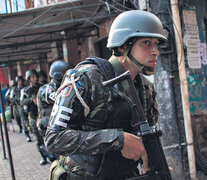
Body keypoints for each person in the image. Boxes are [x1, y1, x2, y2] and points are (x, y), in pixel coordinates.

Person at [45, 10, 167, 180]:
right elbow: (53, 139)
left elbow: (146, 136)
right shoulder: (87, 78)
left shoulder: (145, 88)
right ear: (123, 46)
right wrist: (117, 140)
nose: (155, 52)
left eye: (157, 44)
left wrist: (154, 166)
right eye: (146, 43)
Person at [36, 60, 70, 162]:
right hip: (47, 126)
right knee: (57, 158)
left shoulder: (62, 87)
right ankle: (46, 151)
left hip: (56, 125)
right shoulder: (46, 89)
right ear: (59, 75)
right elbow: (60, 99)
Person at [20, 69, 47, 165]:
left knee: (47, 136)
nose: (35, 78)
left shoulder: (42, 87)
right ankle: (43, 157)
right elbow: (22, 102)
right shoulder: (26, 90)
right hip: (33, 116)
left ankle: (51, 153)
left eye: (36, 76)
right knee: (38, 138)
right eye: (33, 77)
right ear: (29, 79)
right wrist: (31, 100)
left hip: (43, 115)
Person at [10, 76, 31, 141]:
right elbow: (11, 98)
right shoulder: (14, 89)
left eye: (21, 80)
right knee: (24, 120)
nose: (20, 82)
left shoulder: (26, 88)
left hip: (28, 105)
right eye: (19, 81)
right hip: (19, 106)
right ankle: (26, 133)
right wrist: (17, 99)